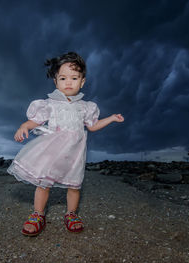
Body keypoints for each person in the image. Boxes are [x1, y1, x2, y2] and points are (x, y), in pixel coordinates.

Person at [7, 52, 124, 236]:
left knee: (74, 185)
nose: (68, 82)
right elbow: (36, 121)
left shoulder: (86, 107)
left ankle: (71, 214)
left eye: (74, 78)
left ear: (82, 81)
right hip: (51, 151)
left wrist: (110, 118)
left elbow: (92, 126)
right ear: (56, 82)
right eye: (63, 78)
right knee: (44, 184)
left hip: (74, 155)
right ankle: (38, 214)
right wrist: (24, 126)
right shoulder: (50, 104)